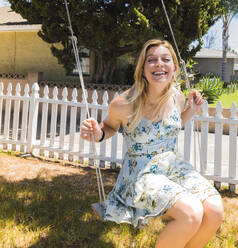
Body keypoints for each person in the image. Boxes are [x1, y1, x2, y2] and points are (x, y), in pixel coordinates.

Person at [80, 39, 224, 248]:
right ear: (142, 69)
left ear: (174, 69)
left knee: (214, 209)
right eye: (152, 60)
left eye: (165, 59)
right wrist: (97, 132)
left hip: (172, 166)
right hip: (141, 173)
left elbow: (171, 126)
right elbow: (108, 127)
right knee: (191, 213)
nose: (159, 64)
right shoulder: (124, 103)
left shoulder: (177, 97)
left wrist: (191, 111)